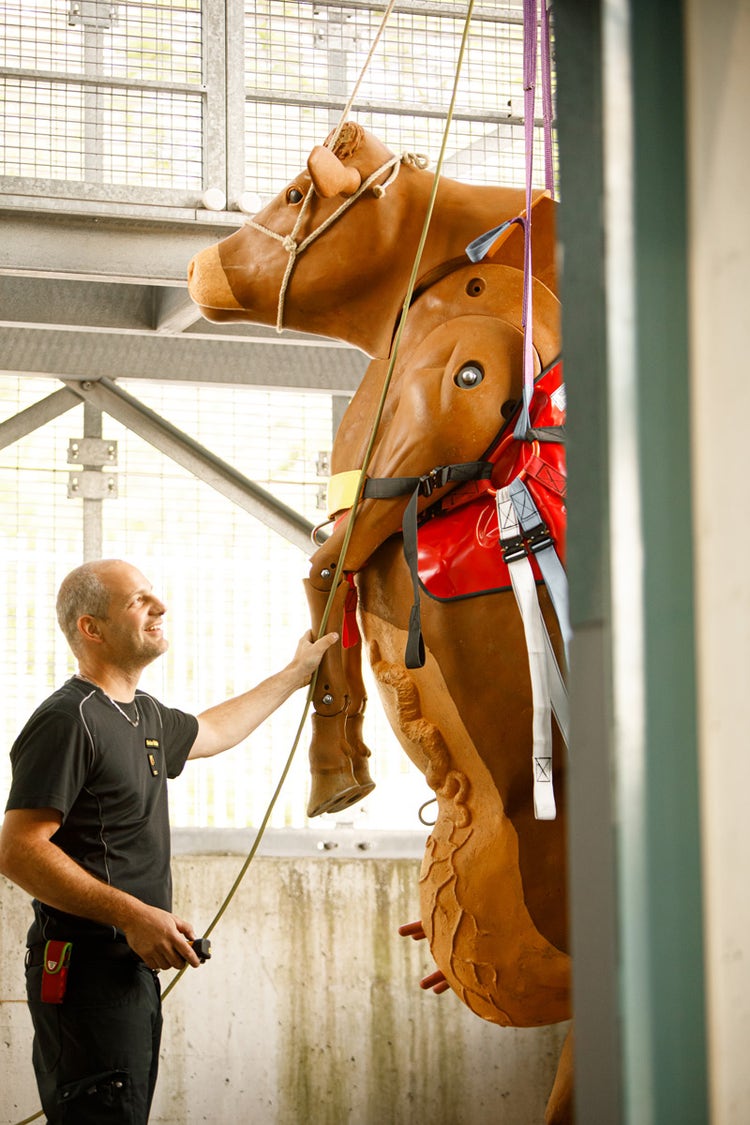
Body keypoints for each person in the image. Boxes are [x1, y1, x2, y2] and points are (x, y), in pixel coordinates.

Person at [0, 558, 338, 1124]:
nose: (160, 607)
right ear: (91, 627)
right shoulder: (68, 719)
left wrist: (296, 673)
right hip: (84, 972)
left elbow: (216, 728)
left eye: (153, 594)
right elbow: (18, 850)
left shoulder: (144, 716)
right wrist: (134, 915)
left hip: (129, 968)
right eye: (138, 600)